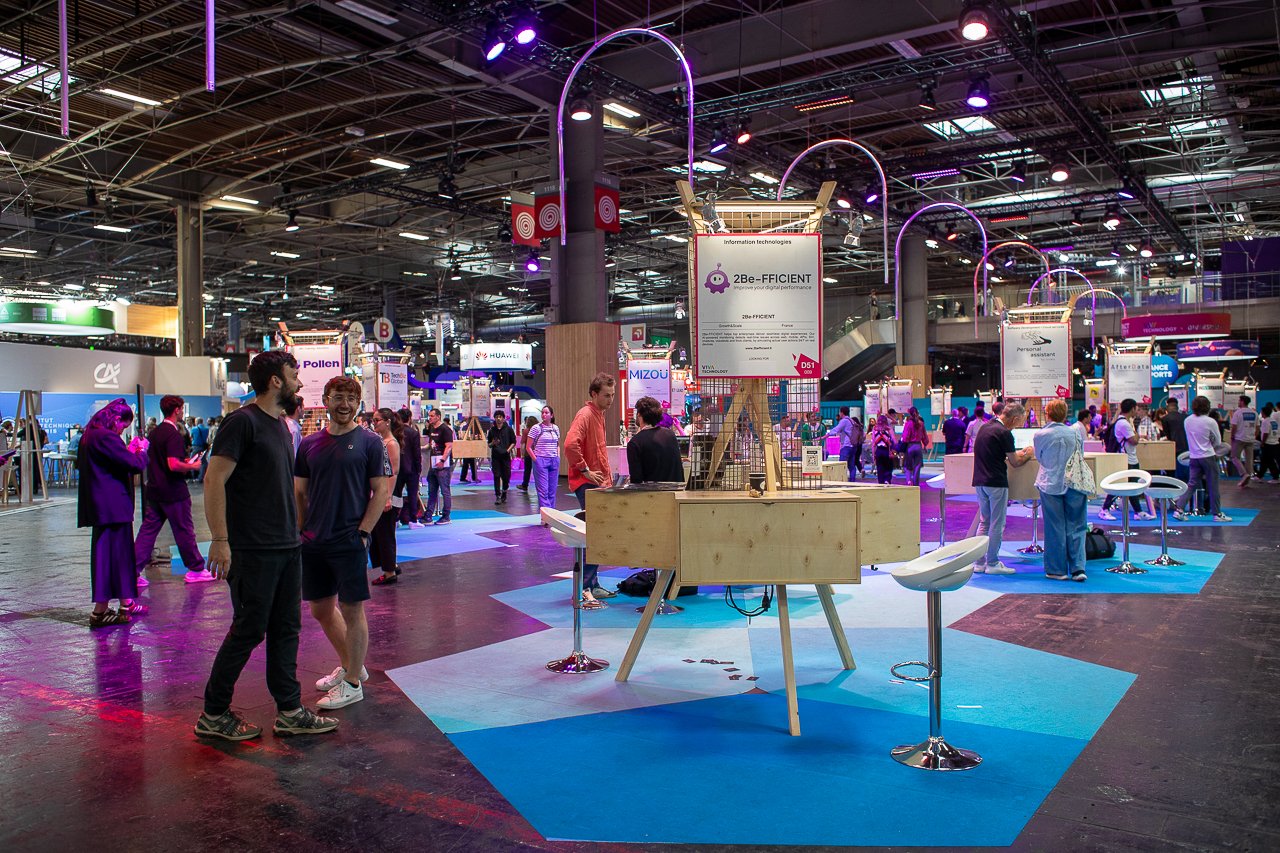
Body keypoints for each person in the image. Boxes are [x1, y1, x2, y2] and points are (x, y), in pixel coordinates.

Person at [198, 350, 339, 741]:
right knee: (248, 630)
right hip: (252, 549)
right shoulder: (241, 423)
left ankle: (289, 710)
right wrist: (220, 540)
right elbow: (214, 480)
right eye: (293, 375)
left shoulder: (279, 425)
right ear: (276, 381)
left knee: (286, 629)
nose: (299, 382)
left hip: (286, 546)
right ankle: (213, 713)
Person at [294, 376, 392, 709]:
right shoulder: (309, 444)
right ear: (326, 399)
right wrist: (301, 530)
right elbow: (299, 492)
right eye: (338, 397)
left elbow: (381, 491)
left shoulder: (370, 442)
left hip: (349, 539)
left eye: (351, 399)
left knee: (352, 609)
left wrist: (363, 533)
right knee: (321, 609)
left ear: (358, 403)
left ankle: (352, 683)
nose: (345, 405)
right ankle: (353, 666)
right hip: (313, 540)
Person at [77, 399, 149, 627]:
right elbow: (134, 464)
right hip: (113, 507)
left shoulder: (90, 435)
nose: (122, 431)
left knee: (111, 556)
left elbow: (112, 462)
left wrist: (129, 451)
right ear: (117, 419)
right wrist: (141, 451)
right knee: (115, 557)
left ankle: (125, 603)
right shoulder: (106, 437)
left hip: (101, 507)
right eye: (123, 426)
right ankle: (101, 610)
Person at [133, 394, 212, 586]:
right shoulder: (173, 434)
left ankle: (131, 572)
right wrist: (192, 466)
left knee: (147, 532)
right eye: (182, 408)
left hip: (155, 490)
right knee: (184, 530)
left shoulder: (155, 433)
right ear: (177, 410)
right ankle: (196, 569)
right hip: (174, 492)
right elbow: (173, 464)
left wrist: (184, 463)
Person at [564, 372, 615, 606]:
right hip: (588, 484)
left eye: (612, 395)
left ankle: (591, 584)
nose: (610, 400)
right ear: (594, 394)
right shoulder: (585, 415)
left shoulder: (598, 414)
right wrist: (585, 470)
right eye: (606, 395)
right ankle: (585, 587)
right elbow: (570, 444)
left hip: (596, 483)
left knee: (597, 533)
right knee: (593, 534)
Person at [971, 402, 1034, 574]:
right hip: (996, 482)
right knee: (997, 524)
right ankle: (992, 563)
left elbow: (996, 453)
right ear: (1014, 418)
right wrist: (1028, 454)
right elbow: (1016, 462)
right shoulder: (1005, 433)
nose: (1017, 427)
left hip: (980, 480)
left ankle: (979, 562)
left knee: (984, 522)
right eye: (1019, 423)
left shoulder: (985, 427)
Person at [1034, 399, 1088, 581]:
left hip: (1050, 483)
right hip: (1074, 482)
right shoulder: (1075, 432)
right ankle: (1078, 569)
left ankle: (1057, 570)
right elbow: (1081, 454)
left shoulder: (1041, 435)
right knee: (1077, 525)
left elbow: (1039, 457)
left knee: (1054, 527)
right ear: (1065, 414)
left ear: (1047, 413)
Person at [1173, 396, 1232, 522]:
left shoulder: (1187, 420)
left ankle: (1179, 510)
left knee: (1191, 484)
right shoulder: (1210, 421)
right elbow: (1218, 441)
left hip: (1194, 456)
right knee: (1213, 485)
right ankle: (1217, 514)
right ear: (1207, 407)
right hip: (1208, 456)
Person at [1099, 399, 1155, 521]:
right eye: (1136, 408)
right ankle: (1104, 509)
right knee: (1120, 486)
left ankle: (1138, 511)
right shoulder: (1124, 424)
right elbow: (1134, 440)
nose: (1137, 411)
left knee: (1133, 487)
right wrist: (1137, 433)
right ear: (1132, 409)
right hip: (1126, 459)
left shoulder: (1124, 422)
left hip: (1130, 458)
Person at [369, 408, 403, 585]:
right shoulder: (381, 441)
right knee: (379, 533)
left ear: (387, 422)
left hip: (388, 495)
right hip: (381, 494)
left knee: (385, 534)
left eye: (377, 420)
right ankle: (391, 565)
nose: (374, 423)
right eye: (373, 420)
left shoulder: (391, 443)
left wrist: (387, 497)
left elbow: (393, 472)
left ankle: (389, 572)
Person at [627, 396, 684, 483]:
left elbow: (636, 479)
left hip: (651, 491)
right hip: (675, 489)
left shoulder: (635, 442)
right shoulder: (670, 434)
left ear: (639, 414)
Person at [422, 407, 454, 525]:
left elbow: (449, 446)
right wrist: (421, 448)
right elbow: (431, 444)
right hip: (433, 463)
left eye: (432, 416)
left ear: (438, 416)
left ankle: (446, 516)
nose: (429, 418)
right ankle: (428, 516)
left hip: (443, 465)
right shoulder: (431, 428)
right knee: (432, 491)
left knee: (445, 490)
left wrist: (442, 460)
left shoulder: (446, 429)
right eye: (429, 416)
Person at [526, 405, 560, 514]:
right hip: (541, 460)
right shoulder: (536, 428)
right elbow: (528, 447)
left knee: (552, 491)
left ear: (552, 415)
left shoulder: (555, 428)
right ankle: (546, 516)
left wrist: (558, 456)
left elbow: (557, 444)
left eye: (546, 413)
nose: (544, 415)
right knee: (543, 491)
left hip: (554, 460)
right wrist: (536, 460)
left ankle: (552, 515)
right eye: (542, 412)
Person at [396, 408, 423, 527]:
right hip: (411, 468)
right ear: (410, 418)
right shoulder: (413, 433)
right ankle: (413, 520)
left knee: (396, 494)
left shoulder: (395, 432)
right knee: (412, 494)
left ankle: (395, 519)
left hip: (397, 467)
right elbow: (417, 453)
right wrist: (418, 468)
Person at [486, 409, 517, 504]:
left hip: (505, 456)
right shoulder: (492, 430)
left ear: (503, 418)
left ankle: (504, 491)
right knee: (496, 475)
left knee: (506, 476)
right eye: (496, 417)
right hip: (495, 456)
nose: (498, 419)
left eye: (500, 417)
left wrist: (508, 450)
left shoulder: (509, 429)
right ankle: (498, 496)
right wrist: (493, 443)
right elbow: (489, 444)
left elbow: (514, 442)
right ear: (494, 419)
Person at [1229, 395, 1258, 487]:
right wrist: (1254, 436)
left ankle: (1244, 474)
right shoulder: (1254, 413)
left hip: (1239, 438)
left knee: (1234, 457)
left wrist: (1232, 436)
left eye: (1239, 401)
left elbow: (1234, 426)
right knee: (1249, 459)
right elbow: (1257, 427)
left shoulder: (1238, 413)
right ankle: (1247, 478)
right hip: (1250, 439)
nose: (1238, 402)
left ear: (1242, 402)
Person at [1161, 397, 1189, 481]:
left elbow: (1168, 436)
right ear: (1177, 407)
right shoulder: (1186, 417)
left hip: (1173, 448)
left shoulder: (1165, 419)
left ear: (1167, 407)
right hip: (1187, 447)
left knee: (1174, 472)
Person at [900, 407, 930, 486]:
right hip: (918, 446)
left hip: (910, 446)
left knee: (907, 465)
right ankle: (916, 483)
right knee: (917, 466)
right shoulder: (921, 424)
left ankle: (909, 481)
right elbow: (925, 437)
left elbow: (905, 437)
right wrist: (925, 445)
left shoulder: (908, 424)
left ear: (909, 414)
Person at [828, 406, 857, 481]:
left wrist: (826, 435)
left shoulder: (844, 421)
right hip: (853, 445)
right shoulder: (852, 421)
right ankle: (852, 481)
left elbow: (836, 429)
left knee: (841, 465)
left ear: (842, 412)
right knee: (852, 466)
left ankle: (842, 481)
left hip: (846, 445)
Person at [870, 415, 896, 484]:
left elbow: (873, 443)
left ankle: (881, 483)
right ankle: (887, 480)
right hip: (887, 450)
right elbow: (894, 441)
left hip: (878, 450)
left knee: (880, 468)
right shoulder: (889, 429)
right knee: (888, 466)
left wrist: (873, 454)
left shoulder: (875, 429)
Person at [1258, 403, 1279, 481]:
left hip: (1268, 444)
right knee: (1267, 461)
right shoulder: (1273, 421)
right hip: (1274, 443)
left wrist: (1262, 443)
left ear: (1263, 413)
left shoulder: (1265, 421)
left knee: (1267, 461)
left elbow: (1265, 433)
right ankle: (1260, 476)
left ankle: (1275, 477)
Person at [516, 414, 537, 492]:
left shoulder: (526, 431)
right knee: (538, 470)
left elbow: (523, 443)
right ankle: (540, 485)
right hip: (537, 453)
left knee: (527, 470)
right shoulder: (538, 430)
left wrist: (522, 454)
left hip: (528, 453)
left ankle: (525, 485)